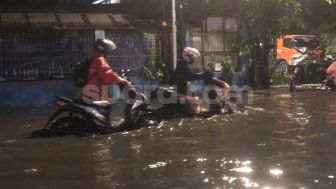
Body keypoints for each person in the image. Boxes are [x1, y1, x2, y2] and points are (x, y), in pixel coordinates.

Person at [81, 39, 130, 104]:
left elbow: (103, 76)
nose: (109, 51)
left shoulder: (94, 59)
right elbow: (107, 73)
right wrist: (122, 80)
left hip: (90, 91)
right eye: (107, 48)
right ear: (103, 49)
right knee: (103, 110)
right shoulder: (100, 60)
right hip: (93, 93)